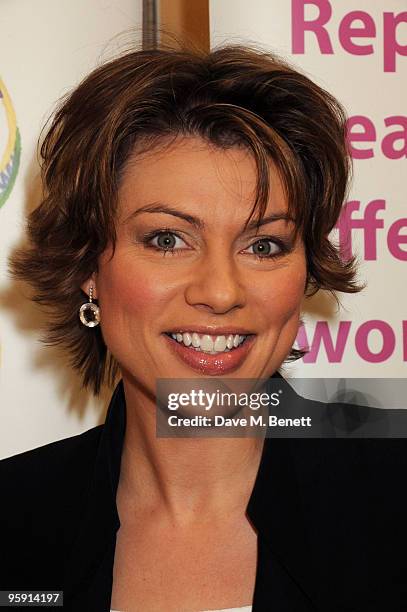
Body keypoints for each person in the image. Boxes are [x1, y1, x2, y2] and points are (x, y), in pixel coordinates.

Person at [1, 43, 406, 612]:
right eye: (167, 239)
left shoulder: (393, 495)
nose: (220, 292)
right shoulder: (13, 519)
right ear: (89, 267)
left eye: (264, 245)